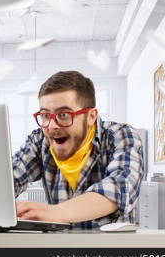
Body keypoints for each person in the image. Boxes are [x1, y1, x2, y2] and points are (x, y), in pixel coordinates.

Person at [13, 71, 144, 228]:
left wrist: (57, 212)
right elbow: (9, 179)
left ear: (91, 116)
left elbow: (119, 187)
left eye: (63, 114)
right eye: (45, 115)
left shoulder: (120, 135)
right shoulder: (39, 140)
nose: (52, 125)